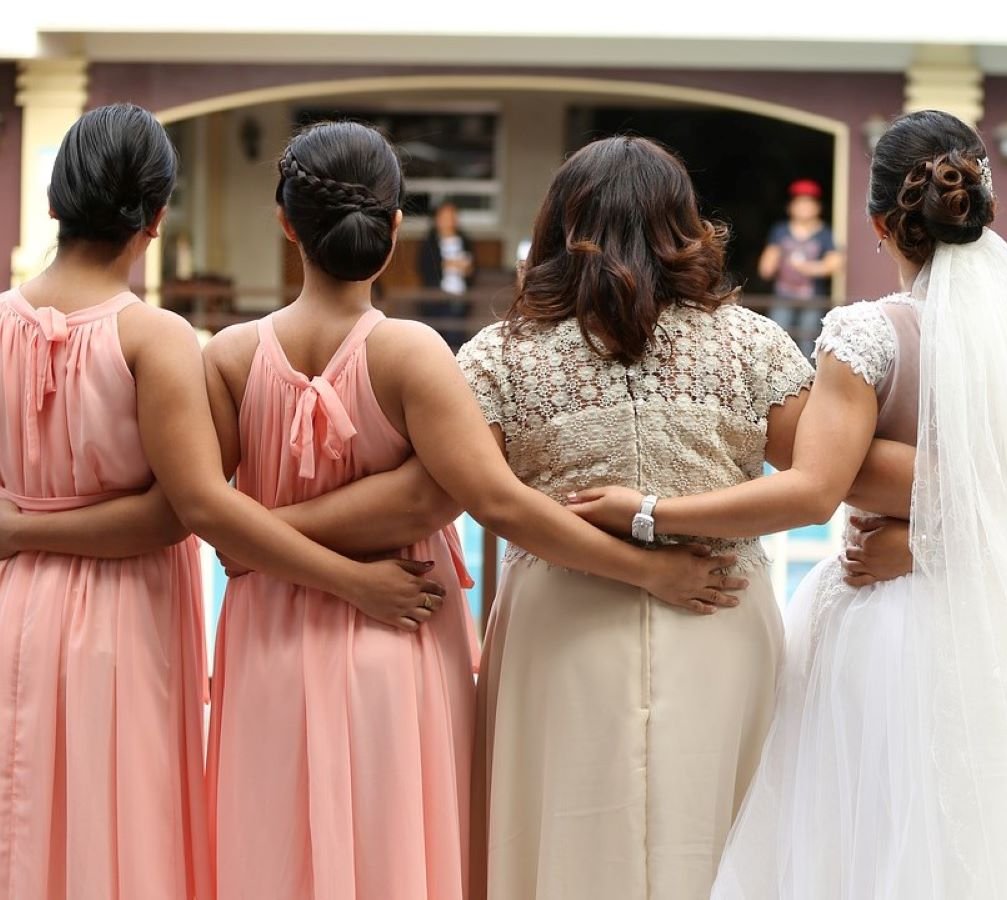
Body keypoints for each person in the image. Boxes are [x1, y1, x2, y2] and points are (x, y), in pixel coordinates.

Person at [569, 110, 1007, 899]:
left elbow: (812, 489)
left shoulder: (865, 334)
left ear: (879, 224)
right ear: (983, 211)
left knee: (870, 846)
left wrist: (651, 512)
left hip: (887, 631)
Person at [0, 104, 457, 900]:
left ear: (52, 203)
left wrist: (15, 526)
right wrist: (351, 580)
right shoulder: (154, 337)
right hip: (120, 617)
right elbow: (187, 509)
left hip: (12, 606)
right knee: (121, 837)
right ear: (157, 216)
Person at [457, 135, 911, 900]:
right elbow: (834, 475)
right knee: (727, 837)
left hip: (562, 619)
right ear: (683, 225)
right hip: (718, 604)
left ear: (559, 226)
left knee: (563, 834)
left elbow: (490, 503)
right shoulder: (752, 344)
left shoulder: (496, 357)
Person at [758, 178, 841, 354]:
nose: (803, 207)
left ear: (817, 207)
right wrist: (771, 263)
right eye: (799, 203)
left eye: (808, 203)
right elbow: (766, 266)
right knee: (776, 337)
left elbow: (834, 264)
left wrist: (807, 267)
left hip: (812, 298)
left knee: (808, 342)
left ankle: (808, 380)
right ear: (790, 207)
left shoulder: (824, 233)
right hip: (783, 295)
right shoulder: (780, 231)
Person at [418, 200, 475, 346]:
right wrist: (450, 264)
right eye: (444, 216)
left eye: (451, 216)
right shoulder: (429, 242)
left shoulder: (464, 241)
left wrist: (464, 267)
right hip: (437, 298)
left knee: (457, 335)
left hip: (461, 296)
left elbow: (472, 268)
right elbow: (425, 268)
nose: (448, 220)